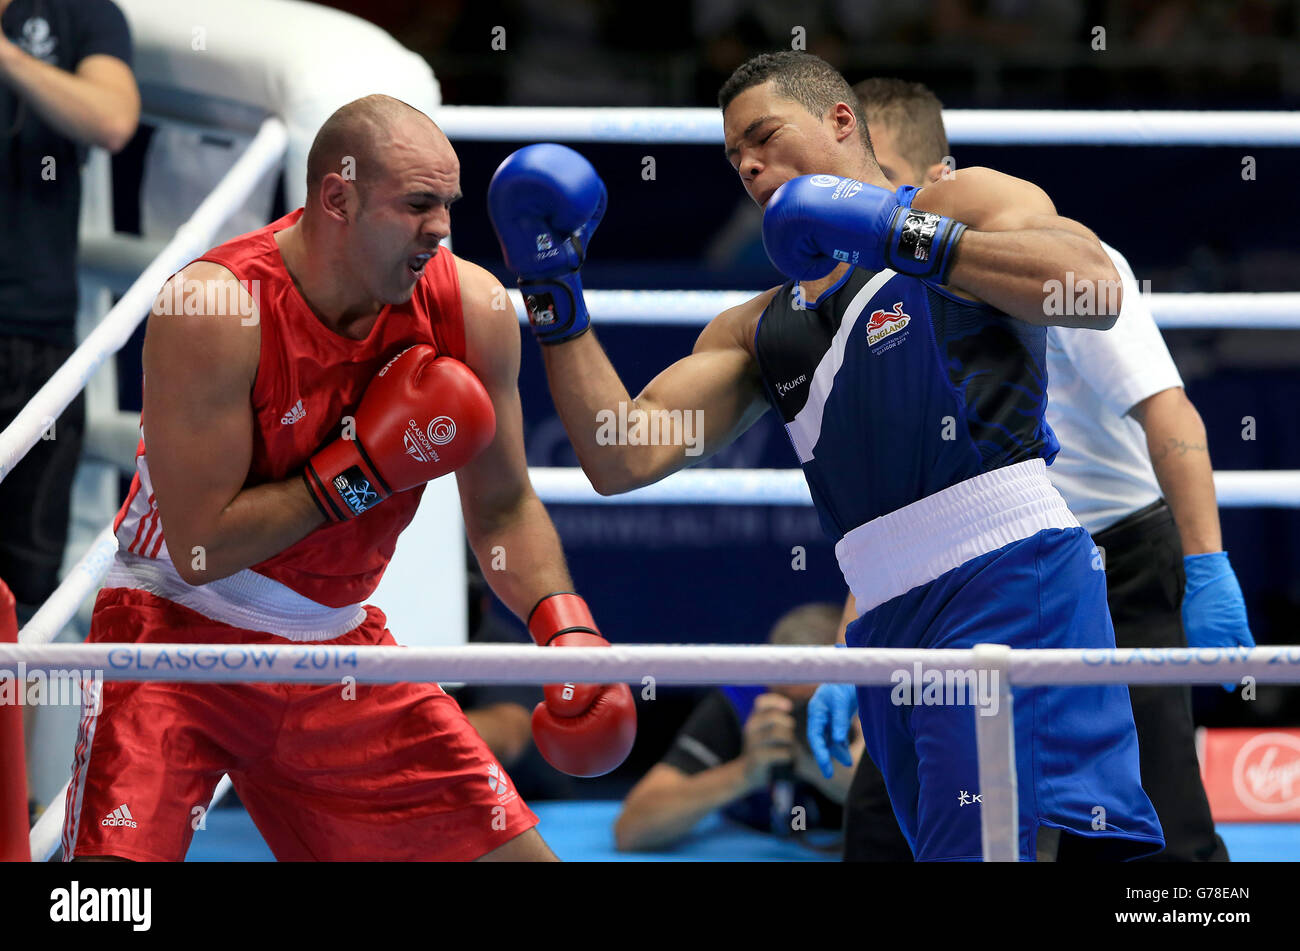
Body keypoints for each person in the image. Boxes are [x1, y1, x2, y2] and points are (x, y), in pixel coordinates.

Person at [488, 50, 1165, 861]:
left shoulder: (963, 199)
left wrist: (895, 231)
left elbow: (1091, 290)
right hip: (885, 620)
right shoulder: (759, 326)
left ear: (842, 121)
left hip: (1007, 580)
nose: (749, 164)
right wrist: (552, 296)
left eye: (764, 137)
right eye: (735, 156)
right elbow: (620, 454)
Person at [60, 95, 636, 863]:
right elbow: (201, 549)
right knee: (102, 907)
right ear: (337, 197)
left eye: (448, 206)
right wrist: (357, 476)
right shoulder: (216, 305)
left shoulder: (470, 309)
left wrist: (564, 627)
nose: (441, 229)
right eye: (418, 205)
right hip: (173, 634)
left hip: (333, 644)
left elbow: (501, 508)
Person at [820, 76, 1244, 862]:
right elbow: (903, 498)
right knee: (880, 818)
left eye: (882, 184)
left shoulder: (1040, 257)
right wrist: (852, 643)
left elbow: (1171, 412)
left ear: (934, 176)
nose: (860, 208)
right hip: (959, 582)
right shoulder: (862, 303)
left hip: (1107, 563)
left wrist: (1207, 563)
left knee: (1162, 827)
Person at [0, 0, 138, 621]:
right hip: (37, 346)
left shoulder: (80, 14)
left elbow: (112, 120)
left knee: (24, 602)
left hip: (39, 346)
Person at [615, 603, 859, 851]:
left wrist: (813, 764)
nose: (797, 715)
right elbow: (631, 831)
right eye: (786, 698)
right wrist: (745, 772)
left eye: (811, 702)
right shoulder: (740, 706)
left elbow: (889, 805)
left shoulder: (867, 704)